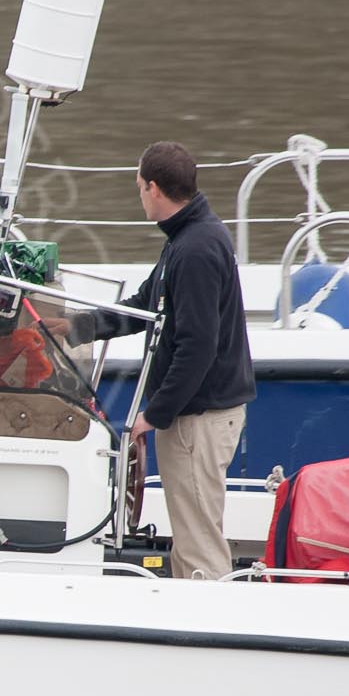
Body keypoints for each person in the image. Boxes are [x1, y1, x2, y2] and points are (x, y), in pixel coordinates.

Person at [60, 141, 256, 580]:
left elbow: (197, 347)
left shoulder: (195, 250)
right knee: (191, 534)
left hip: (199, 419)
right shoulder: (186, 238)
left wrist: (156, 415)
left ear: (153, 189)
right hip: (194, 416)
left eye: (139, 187)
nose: (139, 196)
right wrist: (75, 326)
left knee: (199, 540)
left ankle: (210, 629)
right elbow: (146, 305)